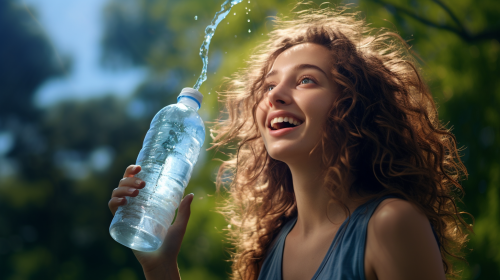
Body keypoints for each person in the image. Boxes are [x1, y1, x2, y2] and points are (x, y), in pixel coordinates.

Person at [108, 5, 472, 280]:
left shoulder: (391, 224)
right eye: (268, 86)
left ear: (352, 105)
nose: (275, 96)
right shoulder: (270, 250)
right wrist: (160, 268)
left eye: (306, 81)